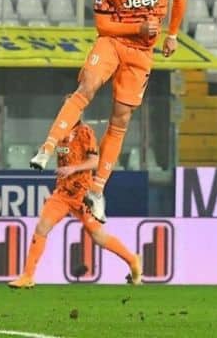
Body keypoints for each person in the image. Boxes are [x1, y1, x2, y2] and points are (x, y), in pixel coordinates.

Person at [30, 0, 187, 223]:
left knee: (121, 118)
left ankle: (98, 190)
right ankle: (47, 148)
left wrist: (173, 35)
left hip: (141, 54)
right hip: (113, 43)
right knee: (86, 87)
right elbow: (103, 27)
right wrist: (136, 29)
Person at [9, 115, 141, 288]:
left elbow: (95, 162)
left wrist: (73, 168)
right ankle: (27, 276)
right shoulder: (60, 132)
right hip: (62, 193)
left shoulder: (85, 133)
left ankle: (132, 260)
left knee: (98, 236)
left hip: (83, 193)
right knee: (42, 227)